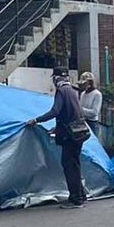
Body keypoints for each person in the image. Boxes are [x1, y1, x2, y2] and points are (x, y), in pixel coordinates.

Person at [26, 67, 88, 209]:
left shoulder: (62, 91)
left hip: (70, 136)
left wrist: (36, 120)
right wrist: (57, 127)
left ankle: (76, 200)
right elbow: (71, 112)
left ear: (56, 78)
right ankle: (80, 195)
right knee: (75, 165)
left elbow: (55, 111)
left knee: (69, 166)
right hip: (78, 133)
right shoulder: (72, 90)